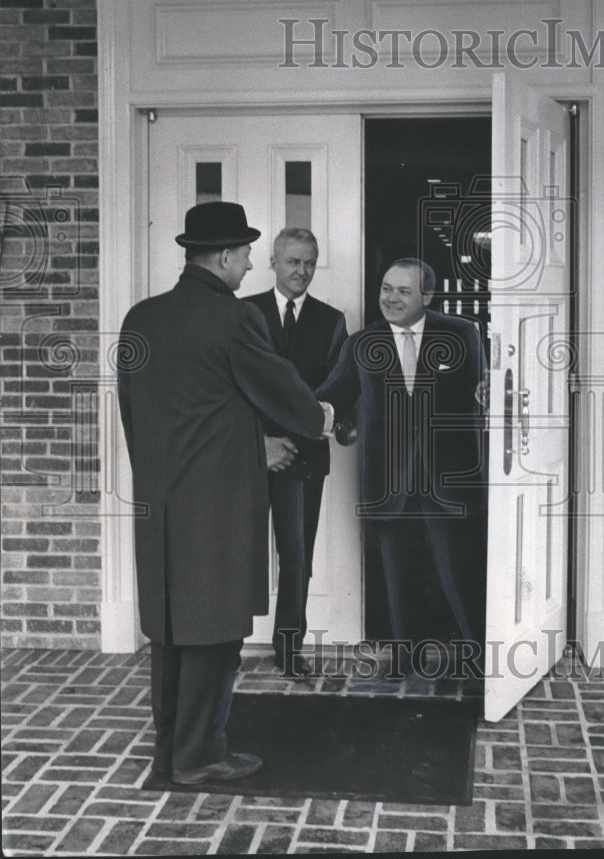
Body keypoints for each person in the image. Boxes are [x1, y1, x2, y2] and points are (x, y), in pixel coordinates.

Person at [117, 201, 331, 785]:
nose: (245, 269)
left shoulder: (141, 318)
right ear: (224, 256)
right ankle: (199, 756)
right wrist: (318, 418)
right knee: (214, 631)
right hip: (217, 503)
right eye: (242, 256)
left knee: (168, 629)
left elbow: (135, 415)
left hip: (159, 501)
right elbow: (283, 394)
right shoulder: (233, 318)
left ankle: (170, 747)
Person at [318, 258, 487, 678]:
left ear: (427, 296)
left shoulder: (462, 334)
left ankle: (483, 661)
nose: (391, 298)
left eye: (404, 291)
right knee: (397, 574)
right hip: (388, 478)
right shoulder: (362, 343)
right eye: (386, 288)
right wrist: (294, 417)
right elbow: (332, 396)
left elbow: (481, 391)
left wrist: (488, 394)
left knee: (460, 571)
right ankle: (406, 662)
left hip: (449, 476)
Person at [244, 228, 348, 678]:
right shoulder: (244, 312)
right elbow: (234, 385)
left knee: (297, 556)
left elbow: (335, 386)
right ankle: (227, 645)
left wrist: (302, 432)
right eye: (292, 262)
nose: (301, 271)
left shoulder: (331, 319)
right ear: (273, 261)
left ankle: (289, 650)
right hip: (248, 453)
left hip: (304, 458)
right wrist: (261, 442)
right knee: (238, 551)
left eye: (309, 263)